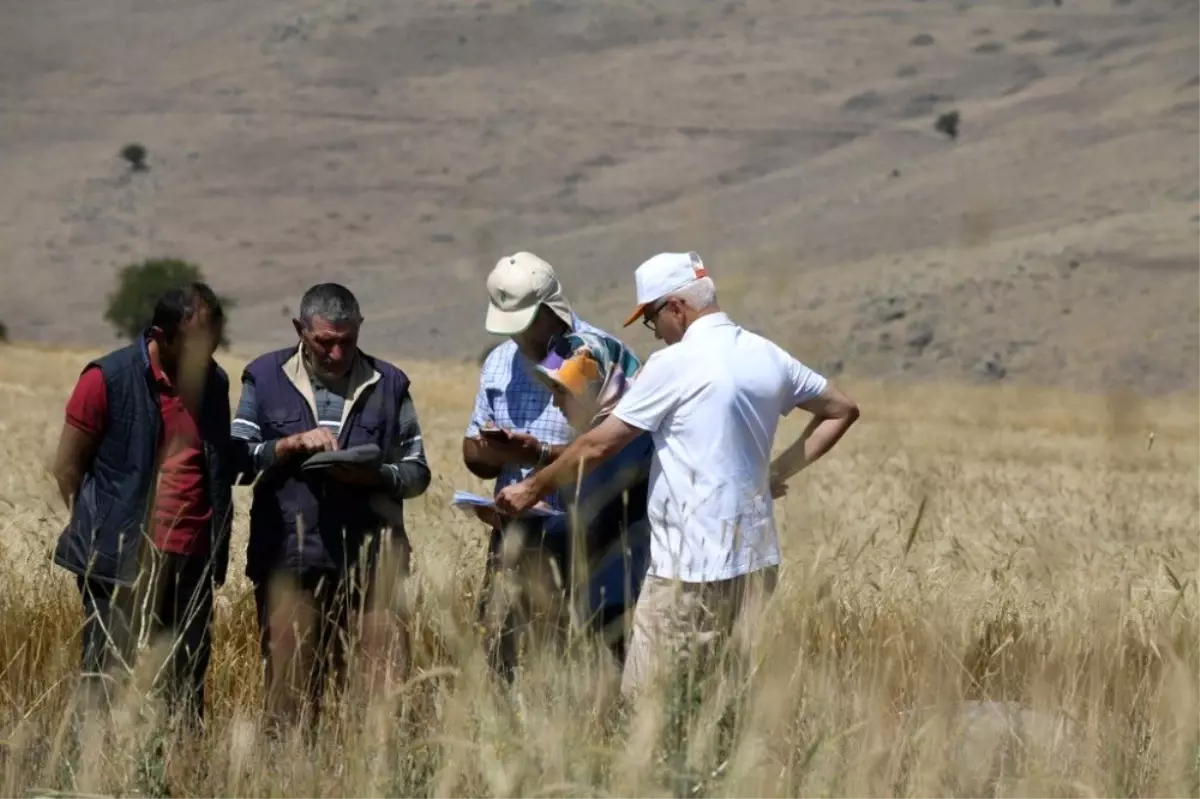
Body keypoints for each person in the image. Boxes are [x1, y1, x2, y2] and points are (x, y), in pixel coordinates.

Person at [496, 251, 861, 701]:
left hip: (687, 569)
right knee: (724, 701)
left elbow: (598, 444)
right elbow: (841, 410)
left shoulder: (675, 364)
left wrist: (532, 486)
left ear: (676, 308)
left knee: (645, 703)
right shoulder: (766, 354)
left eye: (651, 320)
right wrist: (777, 473)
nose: (657, 333)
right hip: (756, 561)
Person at [230, 282, 431, 737]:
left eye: (347, 340)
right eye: (324, 341)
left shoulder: (390, 383)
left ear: (360, 329)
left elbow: (417, 471)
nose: (337, 352)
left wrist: (376, 477)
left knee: (385, 698)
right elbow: (237, 460)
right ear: (300, 329)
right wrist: (289, 444)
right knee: (290, 698)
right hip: (290, 559)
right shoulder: (263, 376)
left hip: (376, 564)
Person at [51, 283, 235, 735]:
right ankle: (88, 772)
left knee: (185, 683)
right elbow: (68, 467)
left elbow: (214, 461)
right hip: (120, 562)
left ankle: (177, 773)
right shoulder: (106, 379)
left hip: (192, 558)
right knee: (105, 678)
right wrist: (103, 533)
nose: (205, 351)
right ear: (161, 335)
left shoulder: (214, 382)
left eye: (212, 340)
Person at [461, 252, 609, 677]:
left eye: (526, 323)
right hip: (513, 534)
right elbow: (475, 458)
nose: (520, 336)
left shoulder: (597, 355)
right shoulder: (499, 362)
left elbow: (613, 452)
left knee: (584, 657)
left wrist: (537, 456)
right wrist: (494, 449)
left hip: (587, 535)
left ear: (551, 309)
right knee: (504, 658)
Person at [486, 328, 654, 668]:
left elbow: (588, 526)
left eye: (561, 392)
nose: (555, 403)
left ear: (592, 389)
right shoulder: (615, 435)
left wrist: (523, 528)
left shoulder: (625, 444)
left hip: (618, 609)